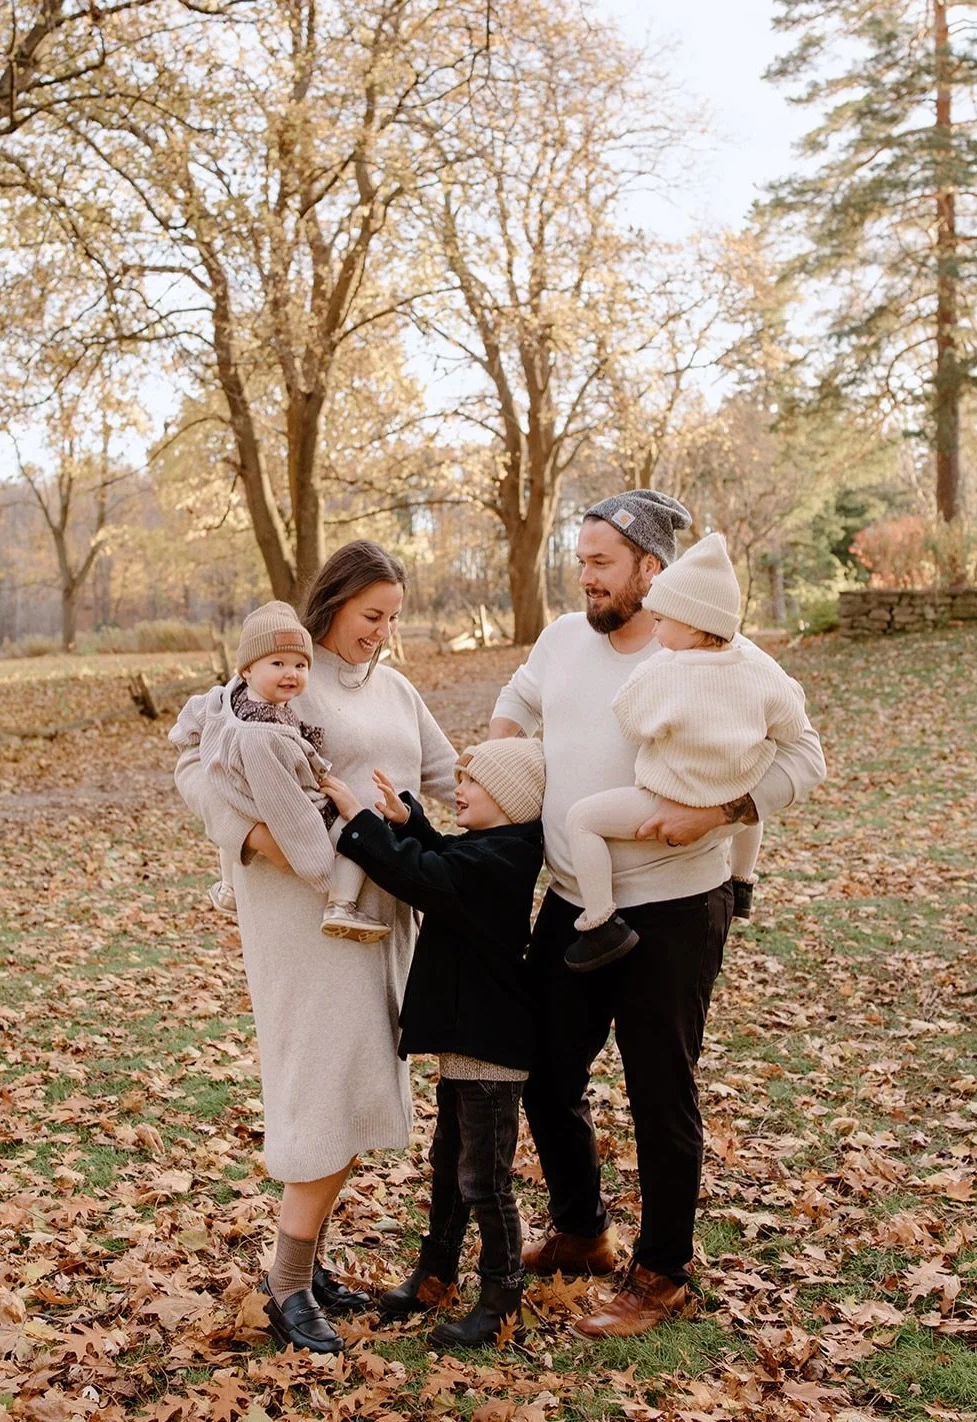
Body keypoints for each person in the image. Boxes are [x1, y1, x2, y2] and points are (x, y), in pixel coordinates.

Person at [489, 489, 825, 1340]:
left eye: (602, 563)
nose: (586, 578)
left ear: (651, 568)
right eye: (581, 562)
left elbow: (803, 755)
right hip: (572, 902)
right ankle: (582, 1231)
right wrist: (501, 750)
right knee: (546, 1076)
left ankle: (662, 1273)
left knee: (658, 1093)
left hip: (675, 909)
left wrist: (720, 813)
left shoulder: (723, 656)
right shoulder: (562, 640)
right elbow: (517, 701)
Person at [172, 541, 457, 1354]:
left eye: (393, 618)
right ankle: (287, 1284)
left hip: (381, 907)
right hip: (303, 911)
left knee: (358, 1082)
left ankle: (306, 1265)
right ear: (332, 604)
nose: (383, 633)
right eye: (372, 615)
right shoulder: (279, 676)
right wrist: (252, 836)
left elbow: (449, 774)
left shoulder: (396, 689)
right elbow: (194, 763)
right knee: (327, 1081)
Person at [320, 738, 545, 1348]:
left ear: (512, 800)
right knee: (450, 1165)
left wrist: (359, 823)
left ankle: (500, 1300)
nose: (458, 790)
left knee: (486, 1181)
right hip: (467, 1042)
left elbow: (426, 875)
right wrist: (408, 821)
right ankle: (437, 1272)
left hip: (490, 1047)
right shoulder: (495, 847)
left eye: (472, 782)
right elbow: (445, 855)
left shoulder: (504, 859)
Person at [564, 532, 808, 972]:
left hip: (669, 798)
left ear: (693, 624)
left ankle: (600, 922)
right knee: (752, 806)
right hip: (733, 795)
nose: (654, 630)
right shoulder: (758, 667)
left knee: (582, 820)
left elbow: (630, 720)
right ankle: (742, 880)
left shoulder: (666, 671)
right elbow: (791, 722)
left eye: (660, 620)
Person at [172, 601, 393, 944]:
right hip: (283, 802)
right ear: (247, 670)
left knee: (234, 817)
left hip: (239, 791)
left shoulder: (231, 700)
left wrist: (186, 735)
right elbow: (286, 802)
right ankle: (341, 903)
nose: (291, 674)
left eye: (300, 665)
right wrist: (312, 855)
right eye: (278, 664)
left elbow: (196, 713)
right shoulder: (264, 734)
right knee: (358, 836)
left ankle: (228, 887)